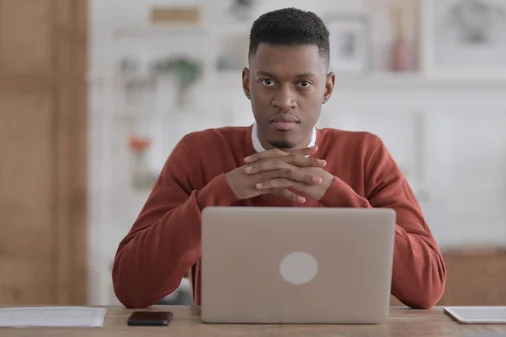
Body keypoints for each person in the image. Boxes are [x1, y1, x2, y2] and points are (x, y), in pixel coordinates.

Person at [112, 7, 446, 310]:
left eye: (303, 84)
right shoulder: (199, 152)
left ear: (327, 88)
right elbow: (131, 287)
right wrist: (218, 194)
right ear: (247, 83)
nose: (285, 101)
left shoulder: (366, 155)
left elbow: (427, 287)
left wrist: (340, 198)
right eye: (268, 82)